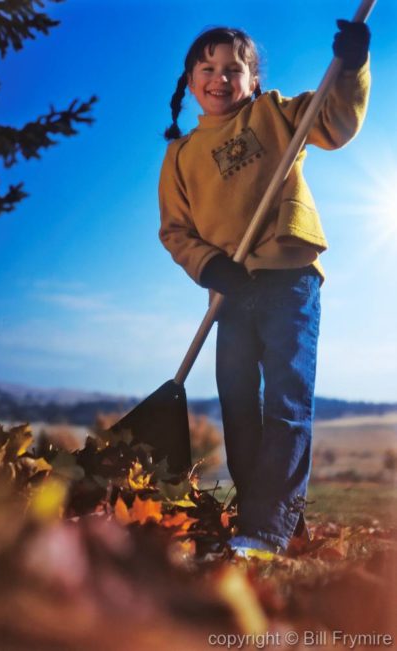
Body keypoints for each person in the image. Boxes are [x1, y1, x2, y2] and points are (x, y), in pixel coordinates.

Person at [158, 22, 371, 555]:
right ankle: (261, 519)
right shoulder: (180, 156)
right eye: (207, 69)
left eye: (234, 68)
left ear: (253, 79)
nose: (220, 78)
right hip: (227, 295)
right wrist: (208, 267)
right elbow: (175, 231)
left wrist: (350, 68)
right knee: (236, 404)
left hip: (288, 279)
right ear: (189, 80)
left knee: (285, 402)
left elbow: (337, 121)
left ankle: (268, 529)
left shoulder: (276, 114)